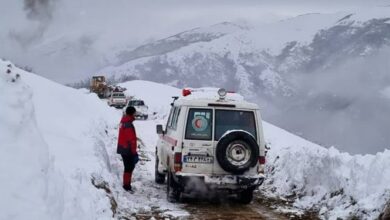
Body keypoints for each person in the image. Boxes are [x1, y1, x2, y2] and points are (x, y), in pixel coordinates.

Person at [117, 106, 139, 191]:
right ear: (132, 113)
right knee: (129, 167)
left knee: (128, 167)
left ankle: (127, 185)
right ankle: (126, 186)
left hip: (123, 148)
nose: (135, 115)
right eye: (134, 113)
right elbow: (131, 140)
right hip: (127, 149)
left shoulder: (125, 121)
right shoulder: (128, 123)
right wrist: (134, 152)